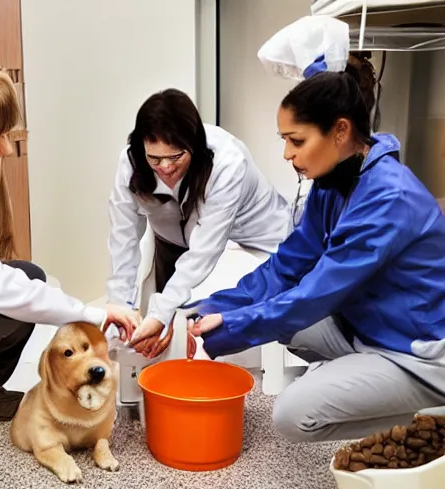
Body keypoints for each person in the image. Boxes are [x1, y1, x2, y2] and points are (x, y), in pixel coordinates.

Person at [189, 17, 445, 443]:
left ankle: (429, 417)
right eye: (284, 140)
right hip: (364, 328)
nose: (287, 154)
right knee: (282, 319)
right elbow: (286, 268)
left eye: (297, 140)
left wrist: (227, 330)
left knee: (292, 416)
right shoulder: (335, 182)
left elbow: (314, 295)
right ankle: (364, 380)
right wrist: (202, 311)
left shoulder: (388, 198)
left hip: (415, 351)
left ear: (340, 131)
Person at [0, 61, 137, 421]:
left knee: (28, 275)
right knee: (9, 302)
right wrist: (94, 314)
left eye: (4, 134)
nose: (4, 150)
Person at [106, 88, 289, 359]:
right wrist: (120, 307)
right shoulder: (131, 162)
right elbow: (124, 240)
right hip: (174, 240)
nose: (165, 167)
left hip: (249, 240)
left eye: (176, 157)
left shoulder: (227, 162)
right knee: (170, 327)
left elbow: (205, 251)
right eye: (154, 158)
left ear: (194, 145)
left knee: (212, 324)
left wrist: (162, 313)